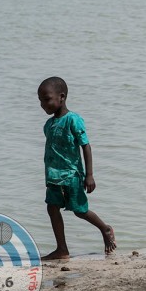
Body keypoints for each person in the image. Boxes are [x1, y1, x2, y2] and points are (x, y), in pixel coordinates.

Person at [37, 77, 116, 260]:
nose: (42, 105)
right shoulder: (48, 125)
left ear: (61, 97)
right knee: (52, 208)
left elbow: (85, 146)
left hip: (71, 174)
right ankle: (62, 249)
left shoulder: (73, 120)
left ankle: (105, 229)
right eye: (40, 100)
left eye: (47, 99)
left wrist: (89, 175)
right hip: (53, 176)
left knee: (79, 210)